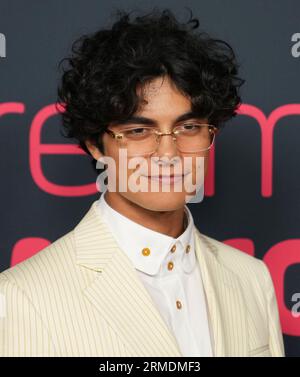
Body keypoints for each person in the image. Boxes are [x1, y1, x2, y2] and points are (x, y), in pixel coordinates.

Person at [0, 7, 284, 357]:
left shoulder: (252, 279)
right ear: (95, 143)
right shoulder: (21, 296)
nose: (168, 152)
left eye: (188, 127)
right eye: (138, 131)